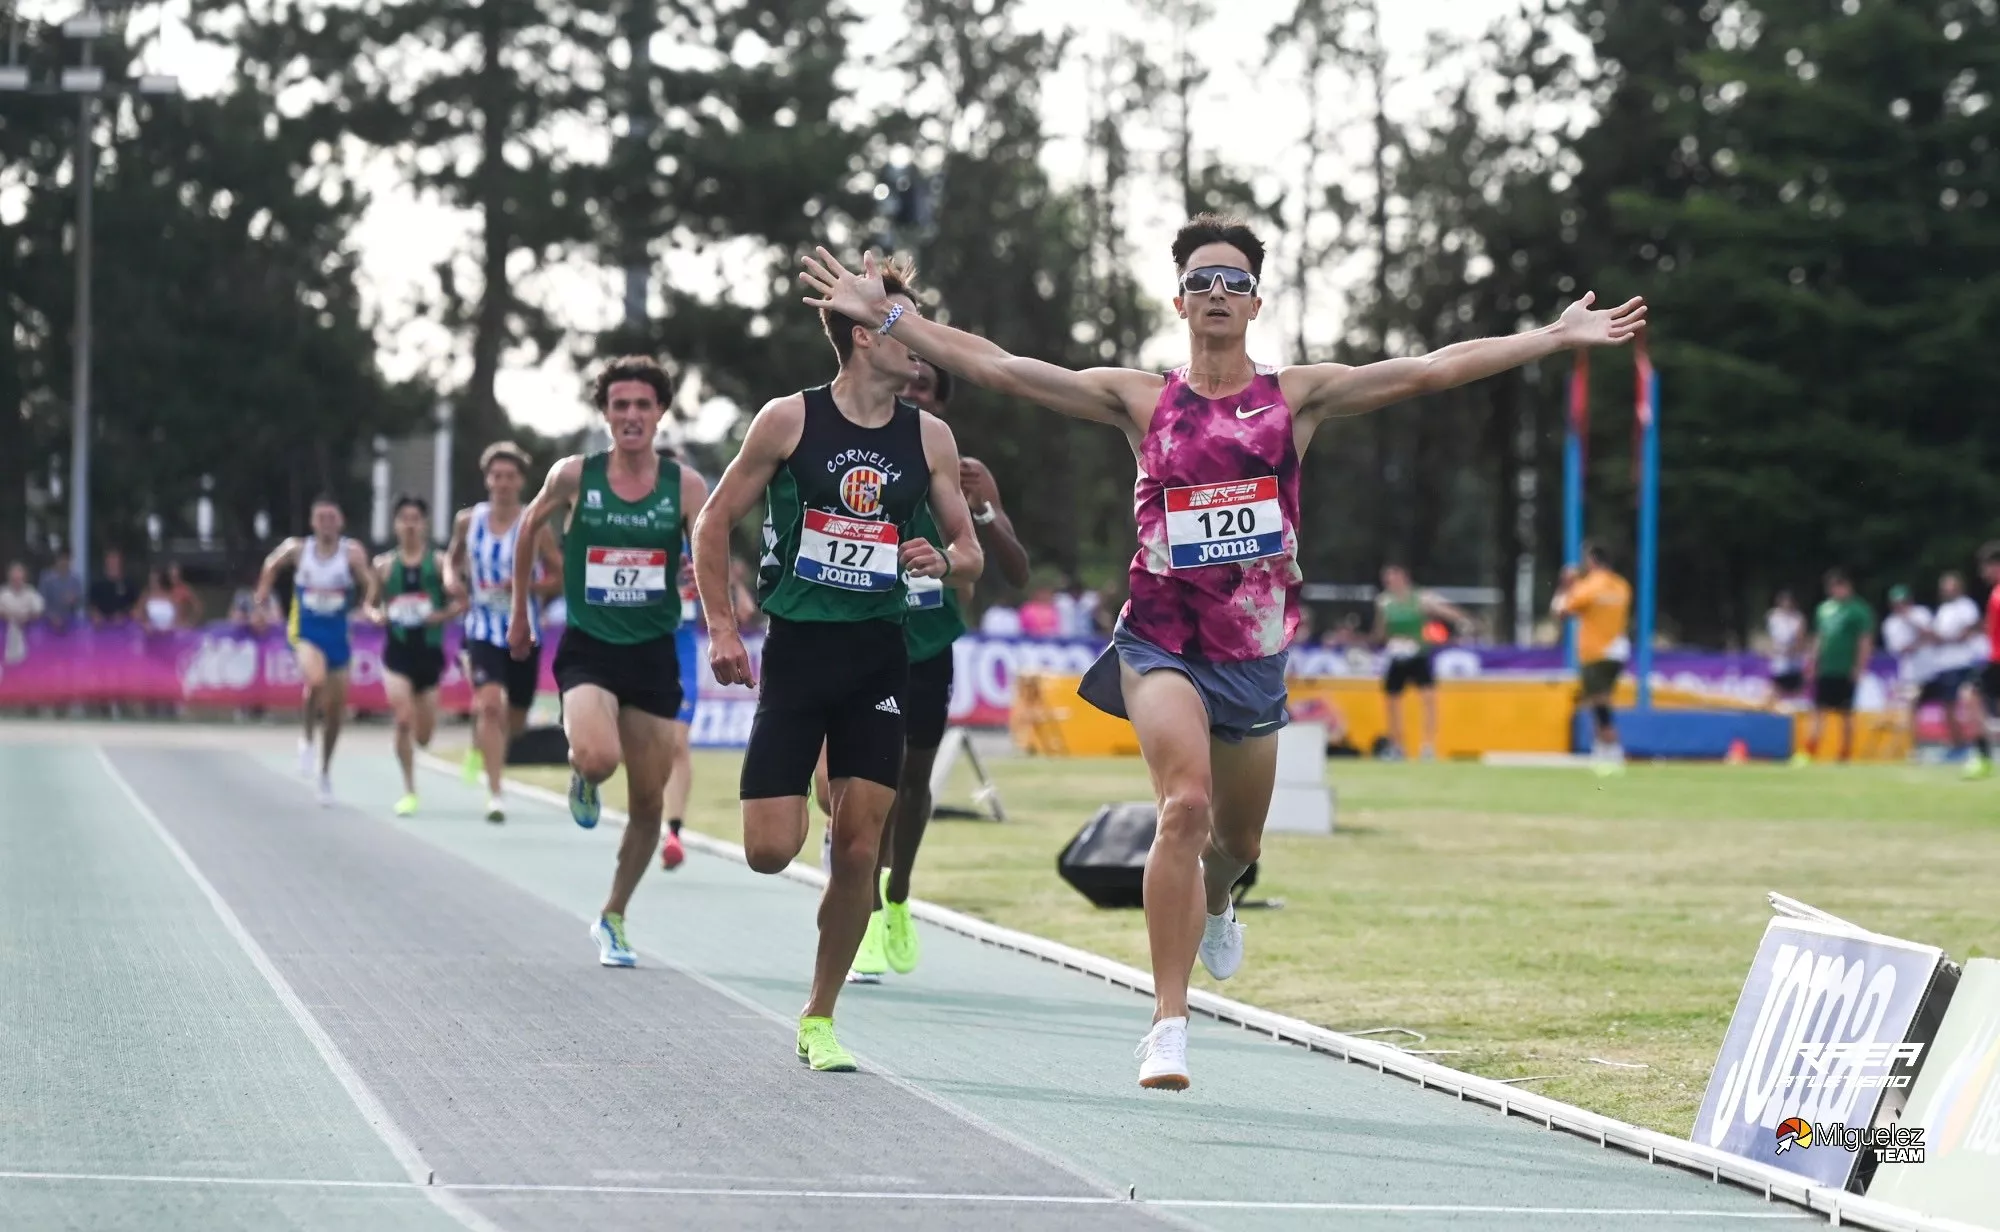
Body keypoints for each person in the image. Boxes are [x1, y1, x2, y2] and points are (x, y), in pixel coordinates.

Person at [798, 216, 1644, 1089]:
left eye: (1233, 282)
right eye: (1202, 280)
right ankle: (1168, 1025)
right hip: (1160, 639)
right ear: (1178, 301)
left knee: (1235, 839)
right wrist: (889, 321)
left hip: (1253, 658)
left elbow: (1430, 370)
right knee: (1183, 806)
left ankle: (1224, 899)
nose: (1216, 293)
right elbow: (1004, 367)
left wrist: (1552, 335)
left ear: (1255, 303)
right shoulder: (1140, 400)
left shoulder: (1296, 399)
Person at [696, 257, 983, 1072]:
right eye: (902, 326)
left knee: (861, 846)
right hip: (797, 655)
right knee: (769, 851)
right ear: (865, 337)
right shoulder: (789, 421)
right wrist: (722, 629)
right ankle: (816, 771)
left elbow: (966, 552)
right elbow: (713, 522)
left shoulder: (930, 435)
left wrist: (942, 556)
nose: (918, 345)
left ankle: (819, 1016)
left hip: (878, 657)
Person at [509, 356, 709, 969]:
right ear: (604, 413)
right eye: (619, 405)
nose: (630, 416)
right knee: (599, 758)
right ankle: (582, 771)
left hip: (653, 652)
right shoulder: (575, 476)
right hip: (590, 646)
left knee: (649, 803)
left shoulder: (686, 486)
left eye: (642, 406)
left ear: (659, 413)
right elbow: (528, 526)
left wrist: (704, 578)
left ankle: (613, 914)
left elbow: (709, 545)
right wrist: (520, 611)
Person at [844, 356, 1031, 982]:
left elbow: (1017, 569)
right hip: (863, 639)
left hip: (928, 646)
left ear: (942, 405)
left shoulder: (961, 471)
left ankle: (895, 897)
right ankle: (864, 910)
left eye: (928, 388)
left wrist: (983, 511)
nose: (915, 393)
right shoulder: (858, 456)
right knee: (862, 786)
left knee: (911, 783)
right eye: (910, 383)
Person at [445, 441, 562, 822]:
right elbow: (452, 558)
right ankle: (496, 794)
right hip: (481, 628)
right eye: (497, 475)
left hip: (522, 630)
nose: (503, 483)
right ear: (487, 479)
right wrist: (453, 582)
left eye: (510, 476)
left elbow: (560, 576)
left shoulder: (535, 523)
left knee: (514, 718)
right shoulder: (469, 520)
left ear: (521, 481)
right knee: (490, 704)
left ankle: (482, 748)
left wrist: (522, 588)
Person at [254, 496, 381, 805]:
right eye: (321, 518)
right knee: (316, 680)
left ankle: (325, 772)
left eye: (331, 517)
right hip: (306, 630)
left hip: (337, 634)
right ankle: (307, 739)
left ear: (340, 522)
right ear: (313, 523)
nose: (326, 523)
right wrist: (262, 596)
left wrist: (368, 604)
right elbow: (272, 564)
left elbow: (370, 581)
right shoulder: (298, 549)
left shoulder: (351, 553)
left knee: (337, 710)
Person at [377, 496, 461, 817]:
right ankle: (409, 790)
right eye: (404, 518)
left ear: (424, 524)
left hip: (428, 653)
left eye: (415, 518)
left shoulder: (439, 564)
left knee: (424, 737)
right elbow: (370, 604)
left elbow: (460, 601)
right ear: (396, 524)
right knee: (402, 719)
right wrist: (377, 615)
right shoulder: (383, 566)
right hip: (397, 652)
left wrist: (441, 616)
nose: (410, 524)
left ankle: (415, 747)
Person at [656, 438, 709, 872]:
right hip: (633, 641)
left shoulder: (700, 531)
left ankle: (673, 833)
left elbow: (721, 576)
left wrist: (723, 590)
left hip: (680, 644)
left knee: (677, 740)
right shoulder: (631, 526)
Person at [1552, 542, 1633, 774]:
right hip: (1618, 649)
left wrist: (1566, 585)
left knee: (1599, 703)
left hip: (1595, 651)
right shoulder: (1621, 585)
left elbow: (1561, 611)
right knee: (1603, 698)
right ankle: (1602, 751)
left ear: (1591, 561)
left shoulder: (1589, 586)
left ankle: (1611, 751)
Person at [1374, 564, 1469, 761]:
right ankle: (1398, 745)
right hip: (1397, 654)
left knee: (1428, 700)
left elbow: (1445, 610)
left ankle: (1428, 745)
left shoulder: (1421, 598)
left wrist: (1464, 619)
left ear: (1404, 578)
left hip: (1418, 653)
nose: (1391, 583)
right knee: (1393, 702)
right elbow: (1380, 632)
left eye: (1394, 578)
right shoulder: (1384, 602)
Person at [1795, 568, 1874, 766]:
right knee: (1818, 710)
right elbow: (1819, 638)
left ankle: (1844, 753)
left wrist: (1859, 666)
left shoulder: (1859, 610)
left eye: (1838, 586)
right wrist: (1812, 661)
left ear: (1847, 587)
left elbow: (1864, 640)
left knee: (1846, 714)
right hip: (1826, 668)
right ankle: (1809, 751)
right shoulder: (1824, 609)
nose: (1835, 591)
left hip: (1845, 668)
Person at [1927, 571, 1987, 776]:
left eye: (1950, 586)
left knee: (1969, 704)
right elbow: (1938, 634)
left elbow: (1969, 629)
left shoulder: (1966, 606)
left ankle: (1974, 746)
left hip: (1963, 662)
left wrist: (1949, 639)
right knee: (1948, 706)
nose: (1947, 590)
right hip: (1944, 663)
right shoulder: (1944, 609)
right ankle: (1956, 745)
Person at [1881, 585, 1934, 747]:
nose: (1901, 606)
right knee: (1911, 709)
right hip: (1911, 673)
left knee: (1949, 704)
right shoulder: (1890, 624)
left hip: (1933, 669)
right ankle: (1912, 745)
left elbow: (1931, 634)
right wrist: (1919, 642)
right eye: (1897, 603)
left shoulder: (1921, 613)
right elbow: (1900, 649)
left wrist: (1911, 622)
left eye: (1903, 602)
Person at [1765, 590, 1807, 708]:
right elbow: (1772, 638)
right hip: (1779, 661)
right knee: (1776, 689)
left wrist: (1793, 649)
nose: (1786, 604)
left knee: (1796, 691)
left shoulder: (1798, 618)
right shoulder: (1773, 616)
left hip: (1794, 660)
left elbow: (1800, 639)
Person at [1, 561, 43, 667]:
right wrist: (8, 617)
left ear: (24, 578)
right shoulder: (3, 593)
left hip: (28, 639)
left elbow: (39, 610)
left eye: (19, 578)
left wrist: (27, 618)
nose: (17, 581)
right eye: (14, 579)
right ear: (9, 578)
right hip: (6, 640)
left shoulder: (30, 593)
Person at [88, 548, 139, 626]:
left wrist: (125, 615)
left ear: (120, 561)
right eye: (110, 559)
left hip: (125, 628)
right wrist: (96, 615)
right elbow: (91, 606)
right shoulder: (97, 583)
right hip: (102, 628)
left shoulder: (129, 583)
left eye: (115, 559)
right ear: (106, 561)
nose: (113, 563)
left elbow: (136, 606)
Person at [37, 552, 82, 633]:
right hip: (48, 624)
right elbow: (41, 601)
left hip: (70, 625)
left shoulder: (75, 580)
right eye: (62, 559)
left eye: (66, 560)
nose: (64, 562)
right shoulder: (46, 578)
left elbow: (81, 602)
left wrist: (74, 600)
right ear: (57, 560)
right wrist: (52, 616)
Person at [165, 563, 203, 629]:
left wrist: (191, 622)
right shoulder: (165, 590)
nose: (174, 579)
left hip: (180, 626)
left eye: (176, 576)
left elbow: (198, 607)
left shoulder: (184, 589)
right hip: (166, 627)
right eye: (171, 576)